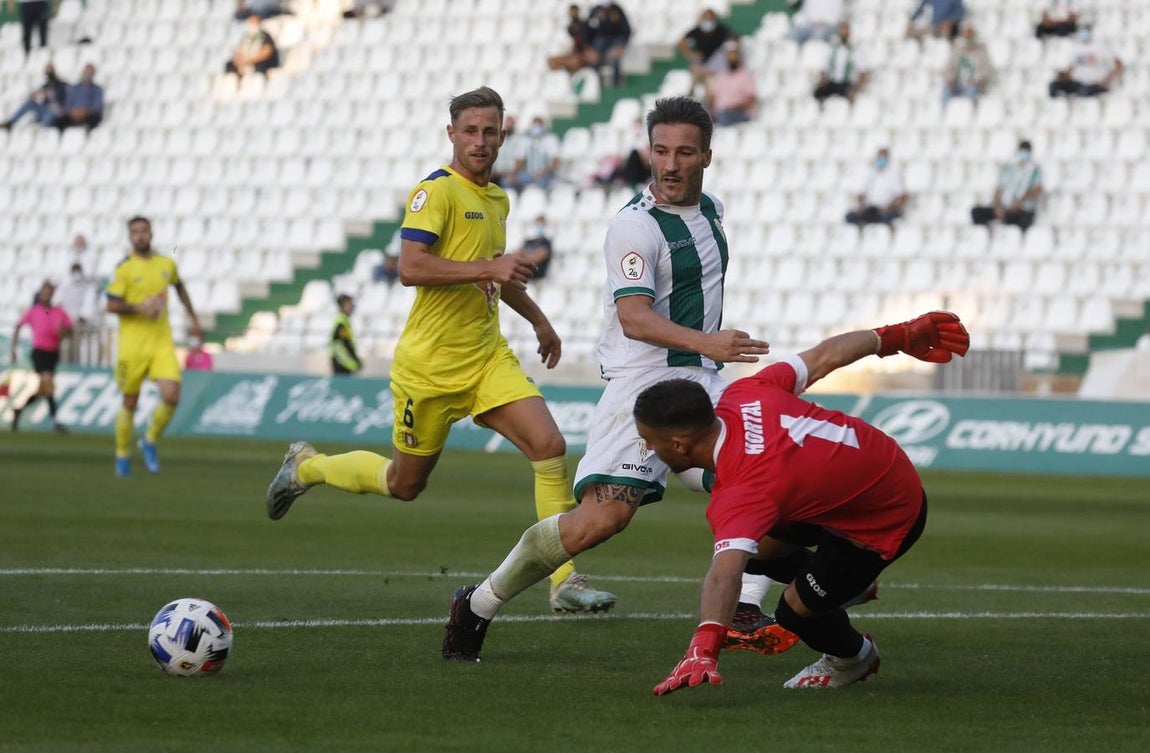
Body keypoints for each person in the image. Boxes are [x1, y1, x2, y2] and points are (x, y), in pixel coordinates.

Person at [443, 97, 779, 663]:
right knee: (600, 521)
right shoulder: (634, 226)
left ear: (708, 158)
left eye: (684, 153)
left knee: (763, 475)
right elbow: (635, 318)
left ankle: (745, 604)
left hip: (705, 383)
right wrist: (711, 343)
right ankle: (477, 603)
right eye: (661, 151)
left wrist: (709, 356)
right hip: (643, 386)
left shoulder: (712, 209)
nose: (670, 165)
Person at [264, 86, 614, 614]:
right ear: (451, 134)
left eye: (489, 132)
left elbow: (498, 271)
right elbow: (411, 268)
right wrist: (487, 269)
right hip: (428, 368)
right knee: (404, 485)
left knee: (549, 447)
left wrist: (541, 322)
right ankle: (307, 467)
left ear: (503, 135)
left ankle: (563, 581)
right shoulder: (435, 192)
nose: (480, 141)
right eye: (469, 131)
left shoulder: (497, 198)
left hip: (486, 357)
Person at [644, 311, 970, 694]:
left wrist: (703, 648)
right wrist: (897, 335)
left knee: (794, 611)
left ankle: (854, 658)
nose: (648, 447)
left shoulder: (742, 491)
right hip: (875, 464)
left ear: (679, 444)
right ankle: (847, 585)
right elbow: (824, 356)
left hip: (886, 516)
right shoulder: (744, 393)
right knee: (758, 548)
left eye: (651, 440)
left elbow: (724, 574)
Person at [105, 216, 203, 477]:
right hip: (132, 346)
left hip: (161, 343)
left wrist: (193, 319)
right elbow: (111, 304)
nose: (140, 236)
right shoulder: (124, 269)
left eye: (144, 231)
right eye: (135, 232)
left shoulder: (166, 264)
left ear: (151, 233)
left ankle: (149, 440)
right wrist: (138, 307)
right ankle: (122, 455)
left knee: (172, 395)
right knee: (130, 401)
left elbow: (180, 288)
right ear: (130, 237)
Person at [9, 281, 72, 433]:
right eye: (44, 292)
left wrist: (63, 332)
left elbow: (70, 331)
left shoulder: (59, 311)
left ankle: (19, 409)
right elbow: (18, 326)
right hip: (39, 352)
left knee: (43, 390)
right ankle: (55, 421)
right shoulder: (34, 311)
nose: (47, 294)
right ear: (41, 293)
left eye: (49, 292)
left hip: (53, 353)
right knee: (48, 384)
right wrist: (14, 349)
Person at [971, 140, 1043, 232]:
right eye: (1022, 150)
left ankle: (1008, 238)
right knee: (976, 212)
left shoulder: (1035, 170)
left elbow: (1037, 190)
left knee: (1009, 216)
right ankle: (983, 235)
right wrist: (997, 206)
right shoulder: (1009, 168)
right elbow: (998, 188)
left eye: (1026, 151)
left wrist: (1019, 203)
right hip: (1004, 208)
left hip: (1022, 210)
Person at [1048, 25, 1122, 98]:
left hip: (1095, 83)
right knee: (1053, 85)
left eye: (1086, 31)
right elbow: (1072, 67)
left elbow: (1119, 65)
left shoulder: (1101, 47)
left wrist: (1106, 80)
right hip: (1078, 82)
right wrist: (1064, 75)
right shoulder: (1076, 48)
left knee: (1083, 92)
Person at [678, 9, 739, 95]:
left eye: (710, 19)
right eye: (706, 19)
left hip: (716, 65)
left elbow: (734, 38)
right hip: (701, 64)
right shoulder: (697, 31)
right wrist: (689, 54)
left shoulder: (721, 30)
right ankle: (692, 93)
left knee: (710, 84)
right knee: (696, 71)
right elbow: (681, 42)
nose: (708, 22)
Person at [845, 147, 908, 227]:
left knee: (886, 217)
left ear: (888, 158)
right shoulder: (870, 173)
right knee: (850, 217)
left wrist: (891, 207)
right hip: (871, 209)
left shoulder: (894, 174)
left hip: (887, 210)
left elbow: (903, 196)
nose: (881, 160)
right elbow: (861, 193)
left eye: (883, 157)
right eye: (880, 157)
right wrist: (861, 207)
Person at [54, 262, 101, 365]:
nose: (76, 275)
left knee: (81, 348)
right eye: (74, 272)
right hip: (66, 324)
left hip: (82, 325)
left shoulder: (88, 287)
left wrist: (81, 317)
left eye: (78, 272)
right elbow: (57, 303)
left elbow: (88, 305)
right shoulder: (64, 286)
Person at [813, 22, 869, 105]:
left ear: (849, 32)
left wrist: (856, 89)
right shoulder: (831, 49)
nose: (843, 33)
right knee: (817, 94)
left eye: (845, 30)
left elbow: (864, 72)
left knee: (849, 100)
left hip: (847, 84)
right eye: (842, 30)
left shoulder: (856, 51)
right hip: (832, 83)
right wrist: (823, 79)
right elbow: (824, 68)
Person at [0, 63, 68, 130]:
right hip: (46, 110)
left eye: (50, 71)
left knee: (49, 115)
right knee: (30, 103)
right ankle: (10, 123)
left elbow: (62, 99)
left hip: (56, 112)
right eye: (47, 71)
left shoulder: (61, 84)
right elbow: (39, 94)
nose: (48, 73)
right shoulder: (46, 85)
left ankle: (43, 133)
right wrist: (34, 95)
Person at [706, 46, 756, 127]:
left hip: (739, 112)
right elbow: (711, 96)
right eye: (730, 57)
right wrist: (710, 108)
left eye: (734, 57)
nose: (732, 59)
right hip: (719, 113)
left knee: (724, 116)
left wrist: (735, 107)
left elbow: (752, 98)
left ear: (739, 58)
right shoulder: (720, 76)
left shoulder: (745, 76)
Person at [942, 24, 993, 104]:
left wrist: (975, 80)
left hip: (973, 84)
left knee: (971, 92)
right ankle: (943, 113)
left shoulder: (981, 49)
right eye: (966, 33)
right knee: (945, 91)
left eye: (970, 33)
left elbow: (986, 69)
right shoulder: (957, 49)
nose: (967, 35)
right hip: (957, 83)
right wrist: (950, 79)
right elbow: (949, 67)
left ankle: (971, 113)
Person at [585, 2, 632, 88]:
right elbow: (587, 29)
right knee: (594, 60)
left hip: (616, 39)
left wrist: (621, 46)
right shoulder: (596, 10)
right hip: (600, 39)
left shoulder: (617, 9)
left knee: (615, 59)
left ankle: (617, 85)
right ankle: (594, 86)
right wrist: (589, 48)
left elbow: (627, 29)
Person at [509, 116, 561, 192]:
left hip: (546, 174)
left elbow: (555, 162)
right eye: (535, 125)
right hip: (529, 174)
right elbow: (519, 160)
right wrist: (514, 174)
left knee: (542, 182)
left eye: (539, 125)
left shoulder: (550, 140)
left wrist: (542, 172)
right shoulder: (525, 140)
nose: (537, 127)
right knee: (509, 182)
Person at [52, 63, 104, 133]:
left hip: (88, 115)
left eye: (90, 72)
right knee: (58, 121)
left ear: (93, 74)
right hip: (74, 114)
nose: (87, 74)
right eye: (86, 72)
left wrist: (85, 111)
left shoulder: (97, 89)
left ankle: (86, 135)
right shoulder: (74, 88)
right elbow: (67, 105)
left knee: (94, 119)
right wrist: (74, 112)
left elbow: (97, 106)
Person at [547, 4, 594, 75]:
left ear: (578, 12)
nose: (573, 14)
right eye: (571, 12)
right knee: (551, 61)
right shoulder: (569, 27)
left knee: (574, 62)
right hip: (573, 52)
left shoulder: (584, 25)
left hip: (583, 53)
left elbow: (586, 41)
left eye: (574, 11)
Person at [329, 293, 361, 376]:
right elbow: (345, 342)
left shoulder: (342, 320)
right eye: (349, 304)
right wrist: (355, 359)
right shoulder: (341, 322)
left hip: (342, 361)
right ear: (343, 305)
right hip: (343, 362)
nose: (352, 307)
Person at [517, 216, 553, 281]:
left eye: (542, 224)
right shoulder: (528, 241)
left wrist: (524, 255)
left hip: (537, 276)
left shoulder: (546, 243)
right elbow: (517, 254)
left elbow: (536, 259)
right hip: (522, 274)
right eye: (538, 224)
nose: (539, 226)